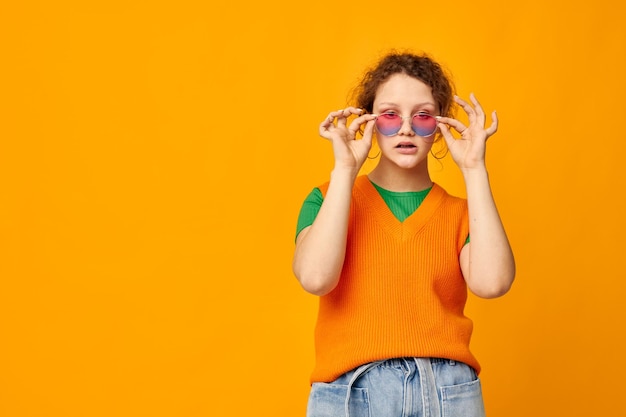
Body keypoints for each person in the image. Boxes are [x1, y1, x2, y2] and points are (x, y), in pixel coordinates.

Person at [292, 51, 515, 417]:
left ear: (441, 123)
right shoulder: (326, 199)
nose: (407, 128)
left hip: (449, 392)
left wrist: (474, 170)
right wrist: (345, 170)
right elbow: (316, 278)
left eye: (423, 115)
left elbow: (493, 284)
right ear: (369, 120)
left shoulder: (461, 214)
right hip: (353, 391)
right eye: (390, 115)